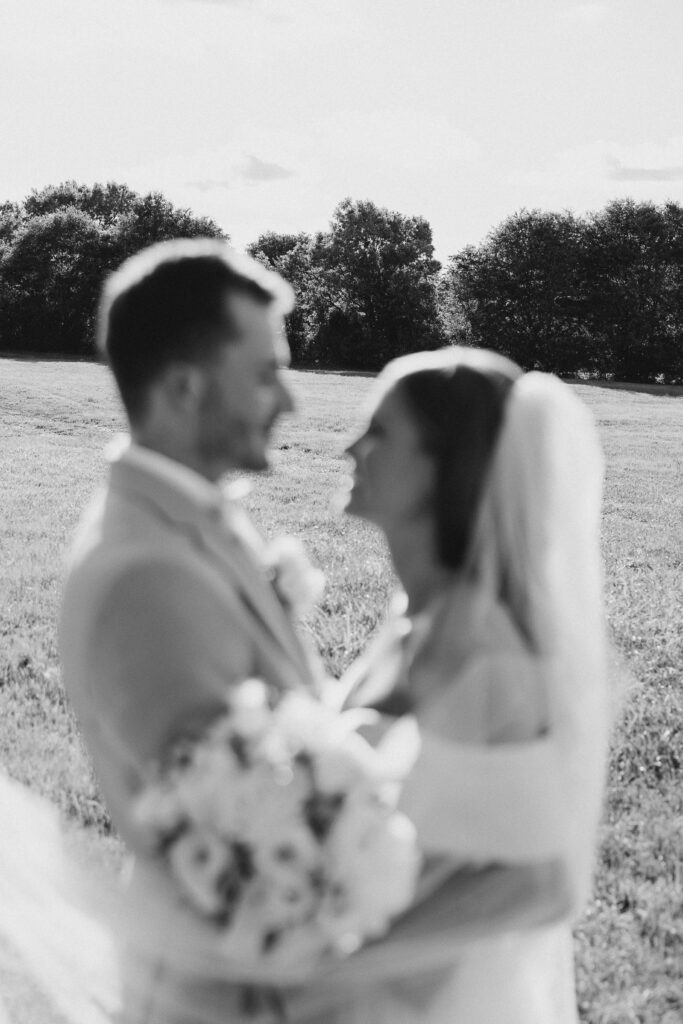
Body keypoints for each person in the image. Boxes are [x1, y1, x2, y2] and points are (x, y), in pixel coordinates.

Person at [58, 238, 323, 1024]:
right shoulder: (148, 573)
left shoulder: (190, 517)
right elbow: (245, 845)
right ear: (182, 388)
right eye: (267, 373)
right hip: (225, 997)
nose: (290, 401)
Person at [312, 345, 611, 1023]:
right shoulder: (412, 617)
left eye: (379, 431)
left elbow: (543, 885)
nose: (349, 447)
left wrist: (330, 967)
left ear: (446, 464)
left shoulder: (488, 653)